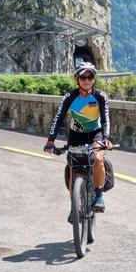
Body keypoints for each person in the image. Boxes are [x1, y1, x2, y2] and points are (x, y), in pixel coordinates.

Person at [43, 62, 113, 218]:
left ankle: (99, 196)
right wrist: (50, 141)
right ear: (77, 78)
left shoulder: (100, 97)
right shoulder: (70, 97)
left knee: (98, 159)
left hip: (96, 134)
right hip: (76, 134)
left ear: (93, 79)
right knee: (73, 165)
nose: (86, 80)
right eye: (83, 77)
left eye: (90, 77)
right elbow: (58, 118)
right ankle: (74, 206)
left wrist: (106, 139)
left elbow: (106, 119)